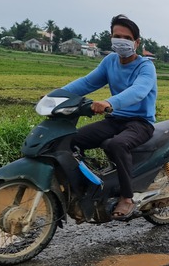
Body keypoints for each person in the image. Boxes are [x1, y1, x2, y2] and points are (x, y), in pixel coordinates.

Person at [62, 14, 157, 219]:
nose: (121, 41)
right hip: (115, 119)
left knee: (116, 145)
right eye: (117, 36)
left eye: (127, 37)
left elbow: (138, 91)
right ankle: (86, 188)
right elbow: (87, 83)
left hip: (140, 122)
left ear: (136, 42)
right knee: (72, 140)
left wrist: (109, 102)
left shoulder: (146, 67)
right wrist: (57, 95)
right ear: (111, 38)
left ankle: (127, 197)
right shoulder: (110, 61)